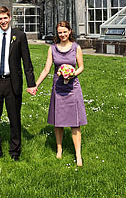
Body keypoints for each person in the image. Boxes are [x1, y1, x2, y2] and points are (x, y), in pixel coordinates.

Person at [0, 6, 36, 160]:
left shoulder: (20, 36)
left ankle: (15, 151)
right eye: (0, 18)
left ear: (10, 18)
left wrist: (31, 84)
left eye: (5, 18)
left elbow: (27, 61)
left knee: (15, 119)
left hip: (13, 83)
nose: (3, 21)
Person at [34, 21, 87, 166]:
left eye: (65, 32)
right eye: (60, 32)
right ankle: (59, 149)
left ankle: (78, 154)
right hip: (58, 88)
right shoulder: (52, 49)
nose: (62, 35)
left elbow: (81, 66)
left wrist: (73, 74)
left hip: (73, 87)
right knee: (59, 121)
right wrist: (36, 85)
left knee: (75, 122)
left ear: (70, 31)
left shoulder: (76, 47)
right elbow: (46, 69)